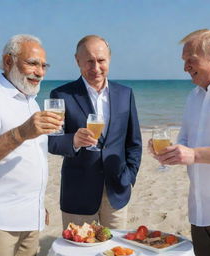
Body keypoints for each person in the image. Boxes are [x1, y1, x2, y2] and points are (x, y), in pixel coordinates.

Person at [149, 29, 210, 256]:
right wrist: (168, 153)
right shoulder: (193, 97)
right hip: (198, 213)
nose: (185, 67)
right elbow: (185, 143)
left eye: (191, 60)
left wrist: (193, 155)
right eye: (184, 61)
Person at [48, 35, 142, 230]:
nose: (96, 67)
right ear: (77, 61)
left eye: (101, 61)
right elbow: (52, 142)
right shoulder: (61, 95)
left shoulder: (125, 94)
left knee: (116, 250)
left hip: (117, 192)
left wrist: (130, 178)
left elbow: (134, 142)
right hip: (78, 194)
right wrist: (73, 140)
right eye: (89, 61)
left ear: (109, 59)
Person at [0, 35, 63, 256]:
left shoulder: (31, 101)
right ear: (9, 62)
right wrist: (21, 133)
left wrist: (38, 204)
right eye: (32, 63)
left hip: (31, 220)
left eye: (43, 65)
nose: (40, 72)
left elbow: (32, 159)